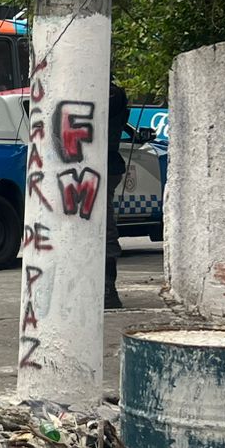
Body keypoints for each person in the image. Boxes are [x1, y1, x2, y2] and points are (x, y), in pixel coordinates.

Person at [105, 78, 129, 310]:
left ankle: (107, 289)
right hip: (98, 165)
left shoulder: (112, 94)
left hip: (104, 165)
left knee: (104, 227)